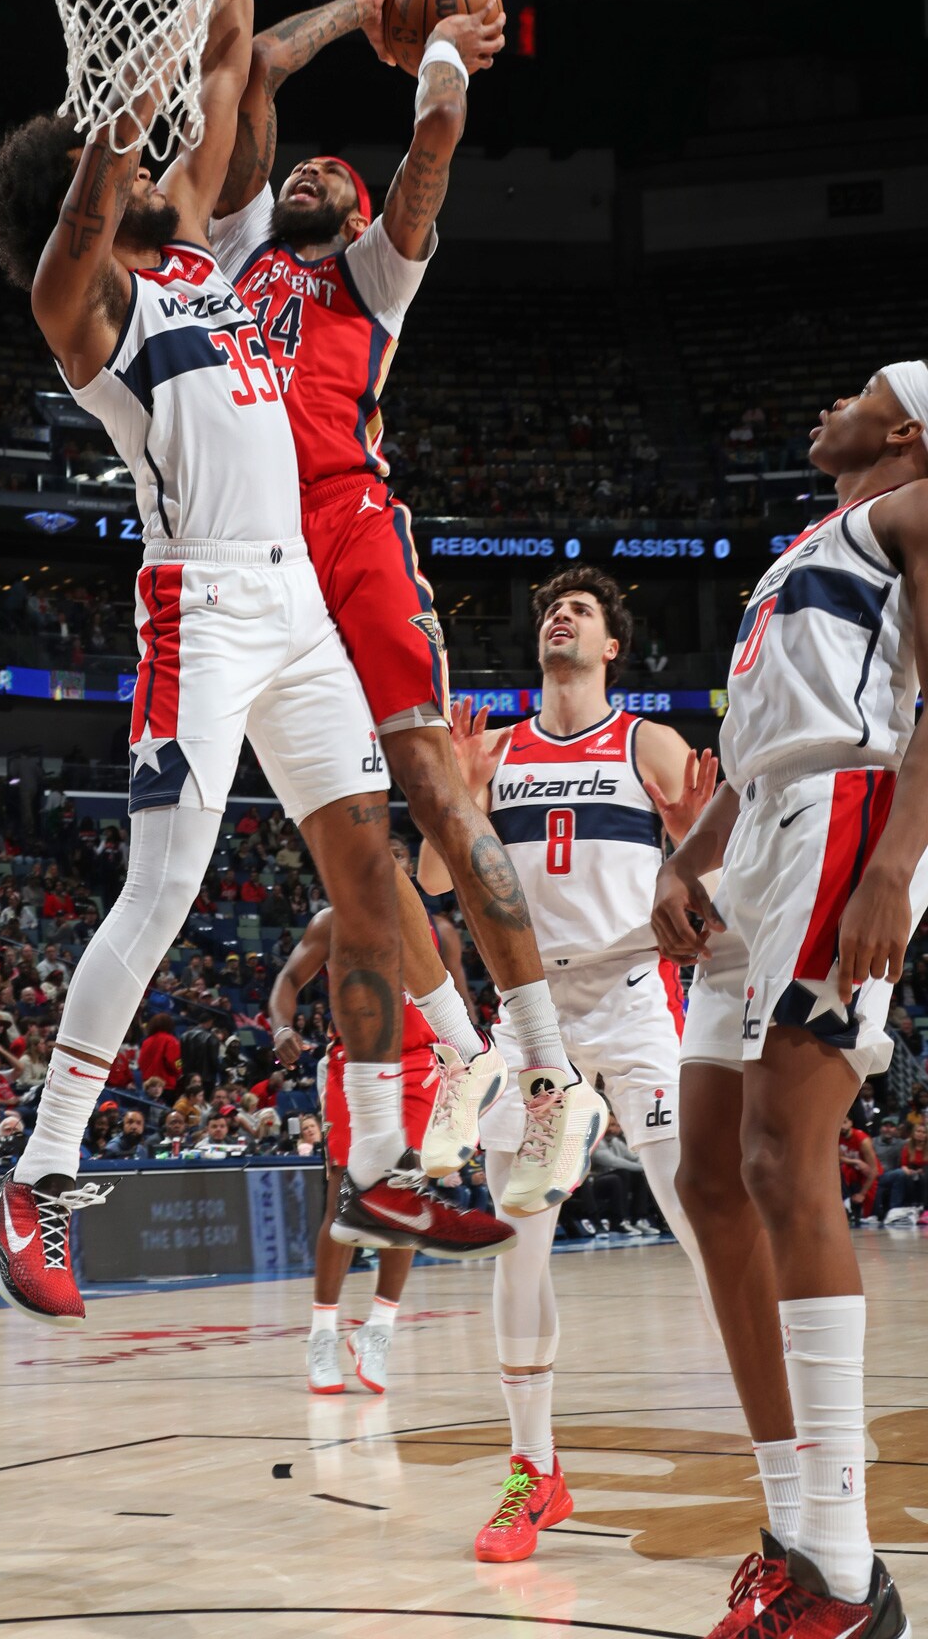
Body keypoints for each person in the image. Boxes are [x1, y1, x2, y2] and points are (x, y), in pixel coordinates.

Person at [0, 0, 514, 1328]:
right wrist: (115, 100)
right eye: (131, 179)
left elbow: (233, 66)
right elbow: (101, 192)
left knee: (367, 866)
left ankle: (436, 1122)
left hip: (292, 604)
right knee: (163, 889)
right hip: (199, 604)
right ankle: (42, 1178)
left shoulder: (206, 260)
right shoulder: (88, 309)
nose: (171, 174)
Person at [208, 0, 604, 1220]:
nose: (307, 175)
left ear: (360, 209)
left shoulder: (371, 279)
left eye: (331, 171)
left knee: (434, 789)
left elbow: (432, 143)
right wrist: (355, 6)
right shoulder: (232, 259)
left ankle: (544, 1066)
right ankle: (440, 1081)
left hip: (351, 526)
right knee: (358, 871)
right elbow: (255, 72)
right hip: (261, 558)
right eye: (297, 174)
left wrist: (438, 49)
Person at [653, 363, 928, 1637]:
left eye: (859, 391)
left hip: (844, 815)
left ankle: (841, 1563)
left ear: (909, 431)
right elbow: (750, 735)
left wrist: (891, 866)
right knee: (704, 1173)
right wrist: (681, 855)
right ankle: (793, 1540)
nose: (829, 401)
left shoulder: (905, 514)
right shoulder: (802, 548)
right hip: (758, 827)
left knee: (781, 1158)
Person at [419, 566, 717, 1563]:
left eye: (580, 611)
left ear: (610, 646)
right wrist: (454, 801)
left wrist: (689, 843)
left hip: (630, 1003)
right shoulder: (494, 749)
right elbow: (428, 879)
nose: (560, 616)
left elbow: (709, 888)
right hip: (528, 1014)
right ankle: (531, 1472)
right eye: (551, 608)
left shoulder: (647, 742)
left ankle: (788, 1434)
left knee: (695, 1207)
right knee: (518, 1241)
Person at [269, 833, 502, 1396]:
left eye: (400, 860)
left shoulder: (437, 930)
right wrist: (282, 1027)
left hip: (424, 1062)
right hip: (356, 1062)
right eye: (383, 860)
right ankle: (322, 1332)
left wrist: (467, 1065)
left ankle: (379, 1329)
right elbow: (287, 982)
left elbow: (462, 1002)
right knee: (344, 1194)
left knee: (407, 1195)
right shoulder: (333, 921)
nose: (393, 870)